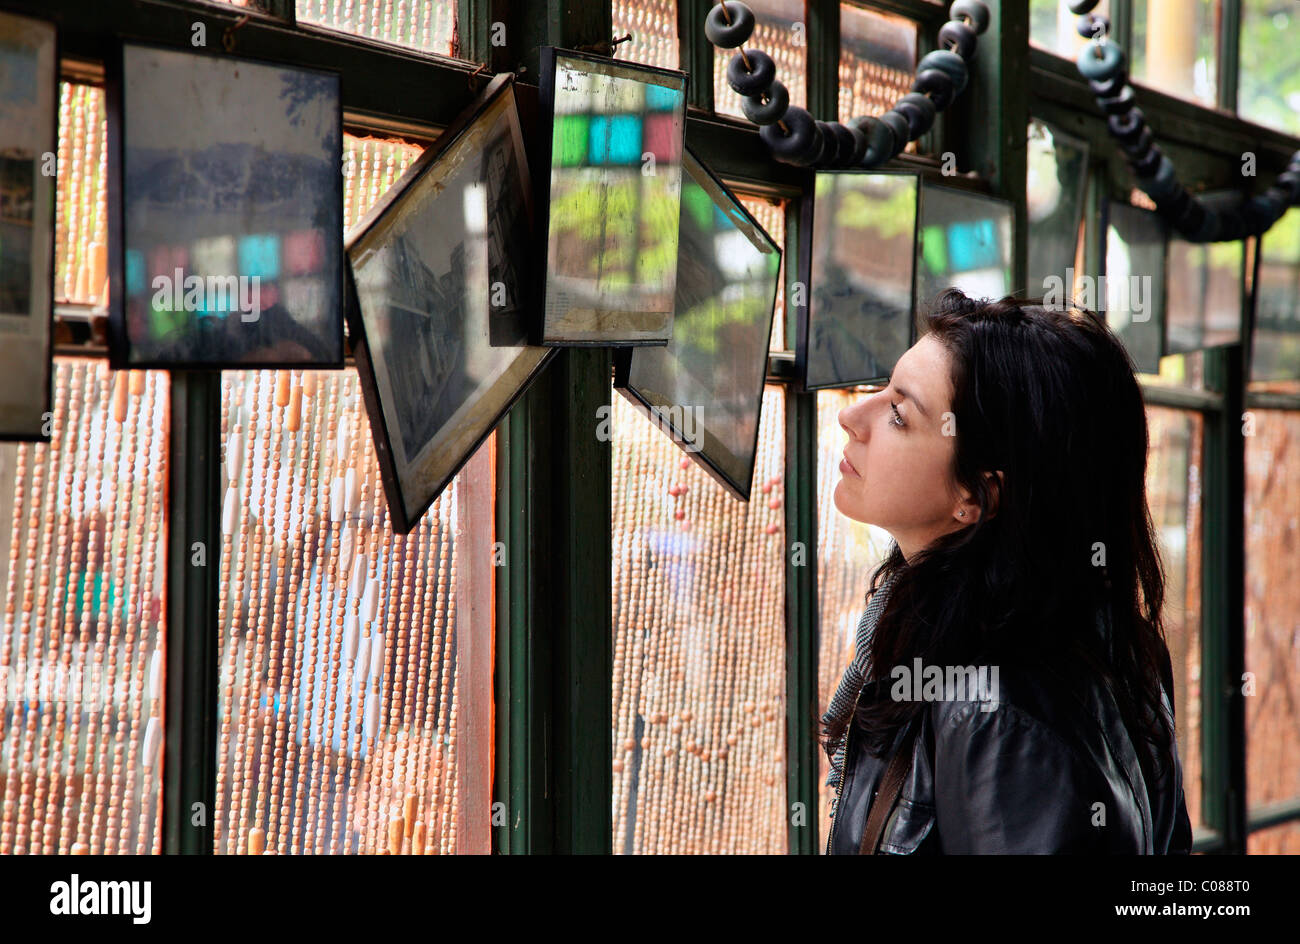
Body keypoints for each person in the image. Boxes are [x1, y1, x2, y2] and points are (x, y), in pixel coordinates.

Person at [823, 287, 1193, 854]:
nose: (853, 415)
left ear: (978, 496)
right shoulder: (1099, 634)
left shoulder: (995, 713)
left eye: (899, 414)